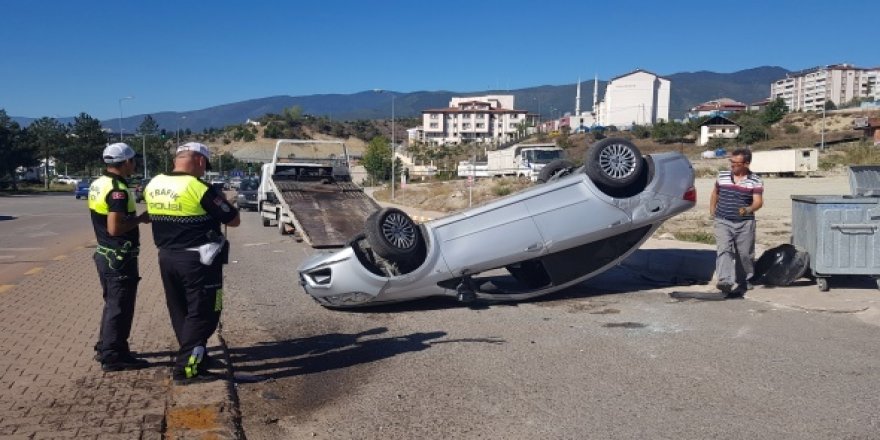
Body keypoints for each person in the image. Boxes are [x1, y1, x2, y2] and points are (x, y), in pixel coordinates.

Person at [144, 142, 240, 385]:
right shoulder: (199, 188)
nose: (204, 171)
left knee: (181, 311)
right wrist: (223, 198)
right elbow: (233, 219)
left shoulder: (154, 183)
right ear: (198, 161)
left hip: (167, 256)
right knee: (206, 312)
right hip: (199, 261)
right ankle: (186, 369)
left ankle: (200, 357)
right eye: (204, 166)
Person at [88, 142, 151, 372]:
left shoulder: (98, 183)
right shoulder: (117, 190)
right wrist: (141, 219)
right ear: (126, 162)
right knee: (120, 306)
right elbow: (115, 228)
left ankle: (106, 346)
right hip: (118, 256)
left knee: (112, 304)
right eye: (133, 161)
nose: (134, 165)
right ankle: (113, 356)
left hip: (105, 253)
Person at [709, 148, 764, 298]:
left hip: (745, 223)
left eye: (735, 163)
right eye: (731, 161)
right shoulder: (723, 176)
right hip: (723, 221)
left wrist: (748, 209)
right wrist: (712, 209)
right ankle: (725, 281)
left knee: (744, 254)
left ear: (746, 163)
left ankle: (744, 280)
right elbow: (715, 193)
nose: (732, 165)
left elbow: (758, 202)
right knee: (724, 249)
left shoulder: (755, 181)